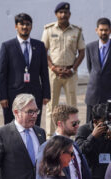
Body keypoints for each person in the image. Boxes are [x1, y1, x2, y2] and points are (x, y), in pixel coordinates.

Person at [35, 104, 92, 179]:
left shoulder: (74, 146)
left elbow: (83, 176)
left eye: (78, 122)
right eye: (73, 123)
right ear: (60, 124)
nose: (77, 126)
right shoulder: (47, 148)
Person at [42, 2, 85, 137]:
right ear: (56, 14)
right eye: (60, 13)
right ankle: (50, 136)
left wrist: (73, 69)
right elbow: (44, 51)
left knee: (72, 106)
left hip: (70, 74)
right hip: (54, 73)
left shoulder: (76, 31)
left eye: (66, 13)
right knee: (51, 106)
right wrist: (53, 67)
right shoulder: (49, 30)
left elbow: (82, 52)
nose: (63, 15)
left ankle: (72, 135)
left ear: (69, 14)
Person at [0, 13, 50, 126]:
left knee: (34, 124)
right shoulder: (7, 46)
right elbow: (2, 74)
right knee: (12, 125)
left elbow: (44, 72)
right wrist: (3, 96)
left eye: (28, 24)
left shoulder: (39, 46)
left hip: (34, 93)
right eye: (21, 24)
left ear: (31, 26)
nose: (25, 27)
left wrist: (46, 94)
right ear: (16, 26)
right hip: (13, 94)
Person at [85, 17, 111, 123]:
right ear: (96, 30)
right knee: (90, 125)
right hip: (93, 94)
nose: (103, 32)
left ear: (110, 30)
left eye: (106, 30)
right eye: (101, 30)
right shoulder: (90, 47)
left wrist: (109, 80)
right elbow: (91, 68)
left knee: (110, 125)